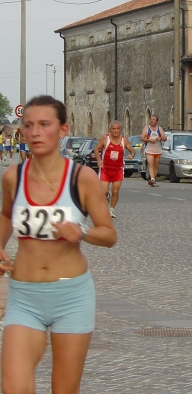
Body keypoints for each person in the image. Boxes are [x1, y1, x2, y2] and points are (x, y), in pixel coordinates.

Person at [0, 95, 117, 394]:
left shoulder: (83, 178)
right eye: (28, 125)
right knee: (14, 386)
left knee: (64, 389)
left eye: (44, 124)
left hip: (71, 296)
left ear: (63, 129)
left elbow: (108, 234)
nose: (35, 132)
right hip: (24, 297)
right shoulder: (14, 176)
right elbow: (5, 215)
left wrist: (81, 231)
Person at [94, 120, 136, 219]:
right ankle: (106, 198)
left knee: (115, 191)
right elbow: (96, 149)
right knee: (104, 191)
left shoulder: (124, 140)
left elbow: (132, 150)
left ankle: (111, 210)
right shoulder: (105, 138)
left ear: (120, 129)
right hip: (105, 169)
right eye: (114, 129)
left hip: (118, 169)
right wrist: (99, 160)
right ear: (110, 129)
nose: (116, 131)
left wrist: (132, 154)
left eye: (118, 129)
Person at [140, 115, 166, 187]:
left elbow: (164, 138)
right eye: (151, 119)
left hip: (157, 150)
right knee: (151, 165)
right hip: (149, 149)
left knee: (156, 166)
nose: (151, 120)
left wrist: (160, 138)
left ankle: (153, 179)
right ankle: (152, 179)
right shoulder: (147, 128)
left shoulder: (159, 129)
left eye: (153, 119)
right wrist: (149, 140)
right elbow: (142, 138)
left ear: (157, 121)